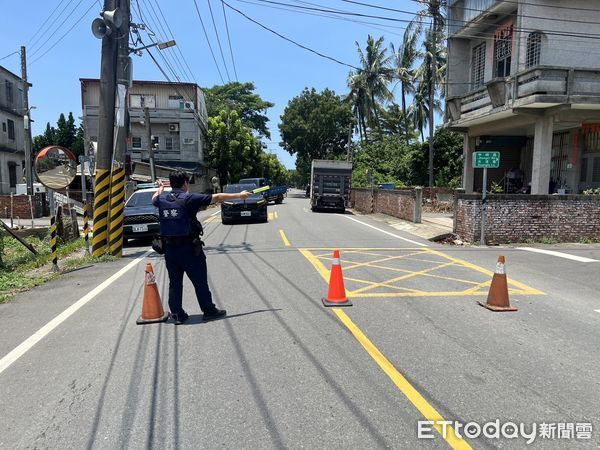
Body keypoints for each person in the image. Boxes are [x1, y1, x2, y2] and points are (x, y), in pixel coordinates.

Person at [152, 171, 250, 325]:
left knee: (175, 282)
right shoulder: (189, 198)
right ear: (185, 183)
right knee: (199, 281)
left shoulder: (161, 199)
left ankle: (177, 314)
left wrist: (160, 188)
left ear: (170, 184)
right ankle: (209, 310)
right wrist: (240, 195)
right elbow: (216, 198)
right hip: (189, 249)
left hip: (170, 250)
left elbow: (154, 198)